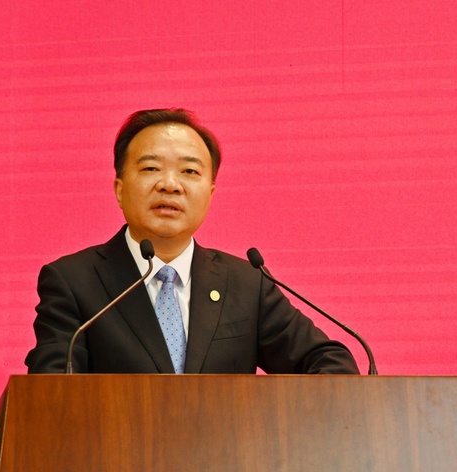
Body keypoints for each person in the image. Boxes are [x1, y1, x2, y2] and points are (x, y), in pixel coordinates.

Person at [25, 108, 359, 374]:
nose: (170, 185)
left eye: (189, 172)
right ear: (120, 190)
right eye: (151, 168)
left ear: (210, 193)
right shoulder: (73, 282)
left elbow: (330, 363)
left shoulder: (245, 284)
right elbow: (51, 392)